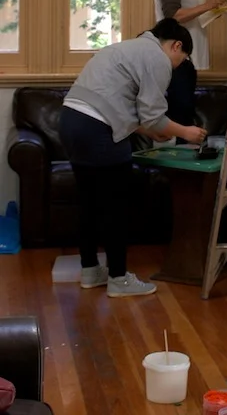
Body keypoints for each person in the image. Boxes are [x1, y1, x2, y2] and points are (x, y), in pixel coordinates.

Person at [59, 19, 207, 298]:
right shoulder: (158, 58)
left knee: (89, 203)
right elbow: (153, 116)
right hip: (97, 130)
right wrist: (186, 132)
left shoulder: (127, 48)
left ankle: (90, 271)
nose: (177, 67)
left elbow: (119, 105)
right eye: (182, 60)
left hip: (70, 121)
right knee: (116, 206)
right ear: (176, 46)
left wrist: (151, 129)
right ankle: (118, 279)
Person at [154, 0, 227, 132]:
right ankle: (177, 150)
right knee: (180, 111)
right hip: (174, 56)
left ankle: (182, 148)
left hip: (186, 54)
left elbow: (194, 16)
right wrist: (208, 5)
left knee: (184, 110)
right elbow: (173, 16)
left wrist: (214, 10)